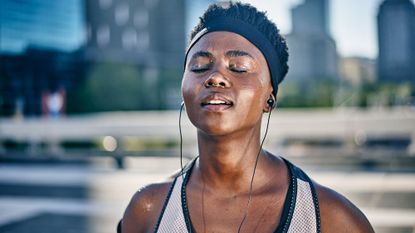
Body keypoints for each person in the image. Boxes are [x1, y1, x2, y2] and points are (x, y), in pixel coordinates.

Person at [120, 2, 375, 233]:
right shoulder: (147, 211)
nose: (215, 77)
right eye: (199, 66)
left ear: (269, 97)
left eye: (239, 68)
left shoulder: (331, 219)